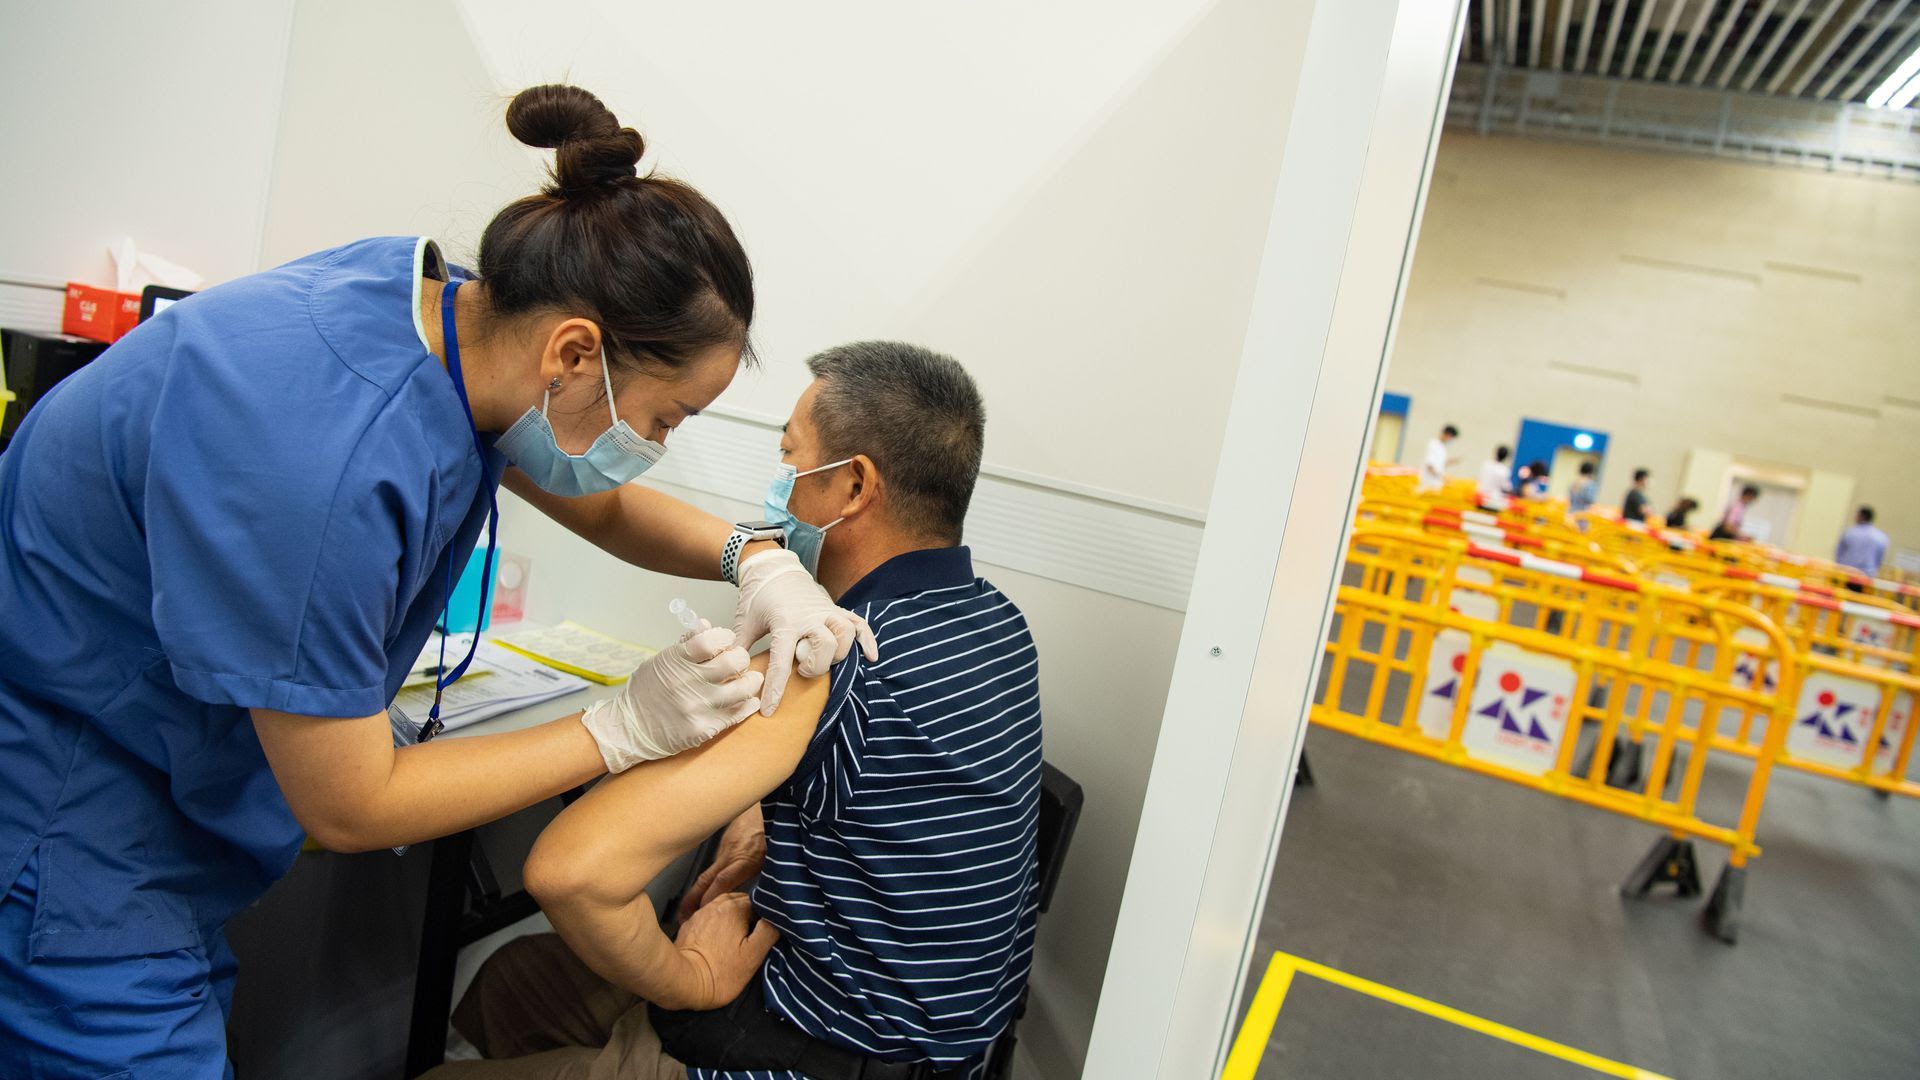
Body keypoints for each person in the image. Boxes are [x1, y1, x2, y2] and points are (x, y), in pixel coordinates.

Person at [0, 85, 878, 1078]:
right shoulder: (313, 464)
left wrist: (750, 556)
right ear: (575, 351)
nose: (653, 449)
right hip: (63, 833)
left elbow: (561, 473)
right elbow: (354, 806)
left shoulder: (437, 313)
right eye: (664, 419)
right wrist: (619, 728)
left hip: (152, 819)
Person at [428, 342, 1042, 1080]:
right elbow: (872, 785)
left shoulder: (832, 659)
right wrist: (758, 815)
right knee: (514, 981)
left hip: (799, 1051)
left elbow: (573, 875)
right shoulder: (998, 626)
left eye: (791, 458)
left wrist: (696, 979)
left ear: (852, 486)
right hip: (938, 1044)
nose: (780, 485)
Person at [1835, 506, 1890, 577]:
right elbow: (1879, 560)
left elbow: (1839, 553)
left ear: (1861, 516)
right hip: (1866, 577)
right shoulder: (1882, 537)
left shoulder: (1849, 532)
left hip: (1846, 574)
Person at [1418, 423, 1459, 492]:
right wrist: (1443, 478)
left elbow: (1439, 464)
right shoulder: (1433, 444)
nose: (1451, 441)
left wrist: (1450, 461)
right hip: (1428, 484)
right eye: (1452, 438)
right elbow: (1430, 467)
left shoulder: (1442, 447)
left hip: (1435, 484)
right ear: (1448, 435)